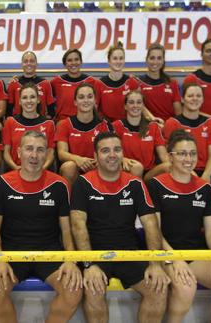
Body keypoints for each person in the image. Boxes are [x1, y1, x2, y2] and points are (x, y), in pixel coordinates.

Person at [70, 131, 170, 323]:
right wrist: (88, 265)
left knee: (158, 289)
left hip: (129, 252)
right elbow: (77, 225)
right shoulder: (83, 183)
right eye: (105, 151)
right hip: (95, 254)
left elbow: (150, 223)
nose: (112, 154)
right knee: (93, 290)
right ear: (96, 156)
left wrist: (155, 264)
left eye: (117, 149)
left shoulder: (135, 184)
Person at [147, 130, 211, 323]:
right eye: (182, 154)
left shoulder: (205, 188)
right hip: (165, 253)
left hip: (196, 254)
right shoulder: (155, 185)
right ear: (170, 156)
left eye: (192, 153)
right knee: (185, 288)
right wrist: (174, 259)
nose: (188, 159)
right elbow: (154, 230)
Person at [0, 131, 82, 323]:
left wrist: (71, 260)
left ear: (46, 155)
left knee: (74, 290)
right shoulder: (1, 184)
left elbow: (66, 231)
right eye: (29, 149)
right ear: (19, 152)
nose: (34, 155)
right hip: (12, 254)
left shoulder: (60, 185)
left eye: (40, 150)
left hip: (49, 253)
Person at [56, 83, 141, 185]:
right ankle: (70, 200)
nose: (86, 100)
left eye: (90, 96)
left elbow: (114, 148)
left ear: (95, 100)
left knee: (136, 167)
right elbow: (61, 153)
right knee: (69, 167)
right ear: (75, 102)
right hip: (77, 166)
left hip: (101, 165)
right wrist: (78, 159)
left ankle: (125, 198)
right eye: (81, 97)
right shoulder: (64, 124)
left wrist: (123, 159)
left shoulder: (104, 124)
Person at [163, 83, 211, 182]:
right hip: (180, 169)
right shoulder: (172, 123)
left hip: (205, 171)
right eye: (190, 96)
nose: (195, 98)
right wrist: (188, 172)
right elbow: (169, 154)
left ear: (203, 99)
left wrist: (207, 174)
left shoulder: (210, 123)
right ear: (183, 99)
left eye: (198, 96)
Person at [112, 90, 168, 180]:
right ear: (125, 106)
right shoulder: (117, 126)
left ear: (143, 106)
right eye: (131, 102)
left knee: (170, 165)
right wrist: (122, 159)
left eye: (139, 102)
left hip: (149, 173)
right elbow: (111, 150)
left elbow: (164, 156)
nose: (135, 106)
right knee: (137, 167)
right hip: (127, 168)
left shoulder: (153, 126)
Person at [2, 83, 55, 171]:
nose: (29, 101)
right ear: (19, 101)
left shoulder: (49, 124)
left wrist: (41, 168)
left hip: (41, 171)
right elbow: (6, 152)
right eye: (24, 97)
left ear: (38, 100)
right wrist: (16, 168)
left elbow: (50, 153)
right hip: (16, 170)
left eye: (32, 97)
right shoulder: (10, 122)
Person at [136, 43, 182, 123]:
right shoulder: (138, 83)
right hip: (147, 127)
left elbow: (179, 114)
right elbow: (138, 107)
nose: (155, 62)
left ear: (163, 61)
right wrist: (154, 120)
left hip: (169, 128)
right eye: (152, 58)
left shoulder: (172, 83)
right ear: (146, 60)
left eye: (159, 58)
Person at [94, 42, 139, 122]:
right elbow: (94, 109)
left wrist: (152, 118)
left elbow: (141, 107)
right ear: (109, 61)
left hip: (127, 127)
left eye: (121, 58)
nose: (118, 61)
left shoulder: (132, 82)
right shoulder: (99, 84)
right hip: (106, 129)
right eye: (115, 58)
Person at [50, 48, 96, 121]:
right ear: (65, 64)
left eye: (76, 59)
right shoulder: (56, 82)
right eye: (69, 60)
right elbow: (48, 102)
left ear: (81, 62)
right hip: (62, 123)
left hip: (85, 122)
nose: (73, 63)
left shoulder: (92, 81)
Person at [7, 51, 55, 118]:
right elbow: (8, 111)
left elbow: (51, 111)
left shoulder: (45, 84)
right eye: (25, 61)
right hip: (18, 124)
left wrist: (45, 122)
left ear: (36, 64)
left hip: (40, 124)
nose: (28, 64)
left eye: (32, 61)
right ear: (22, 64)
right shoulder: (14, 83)